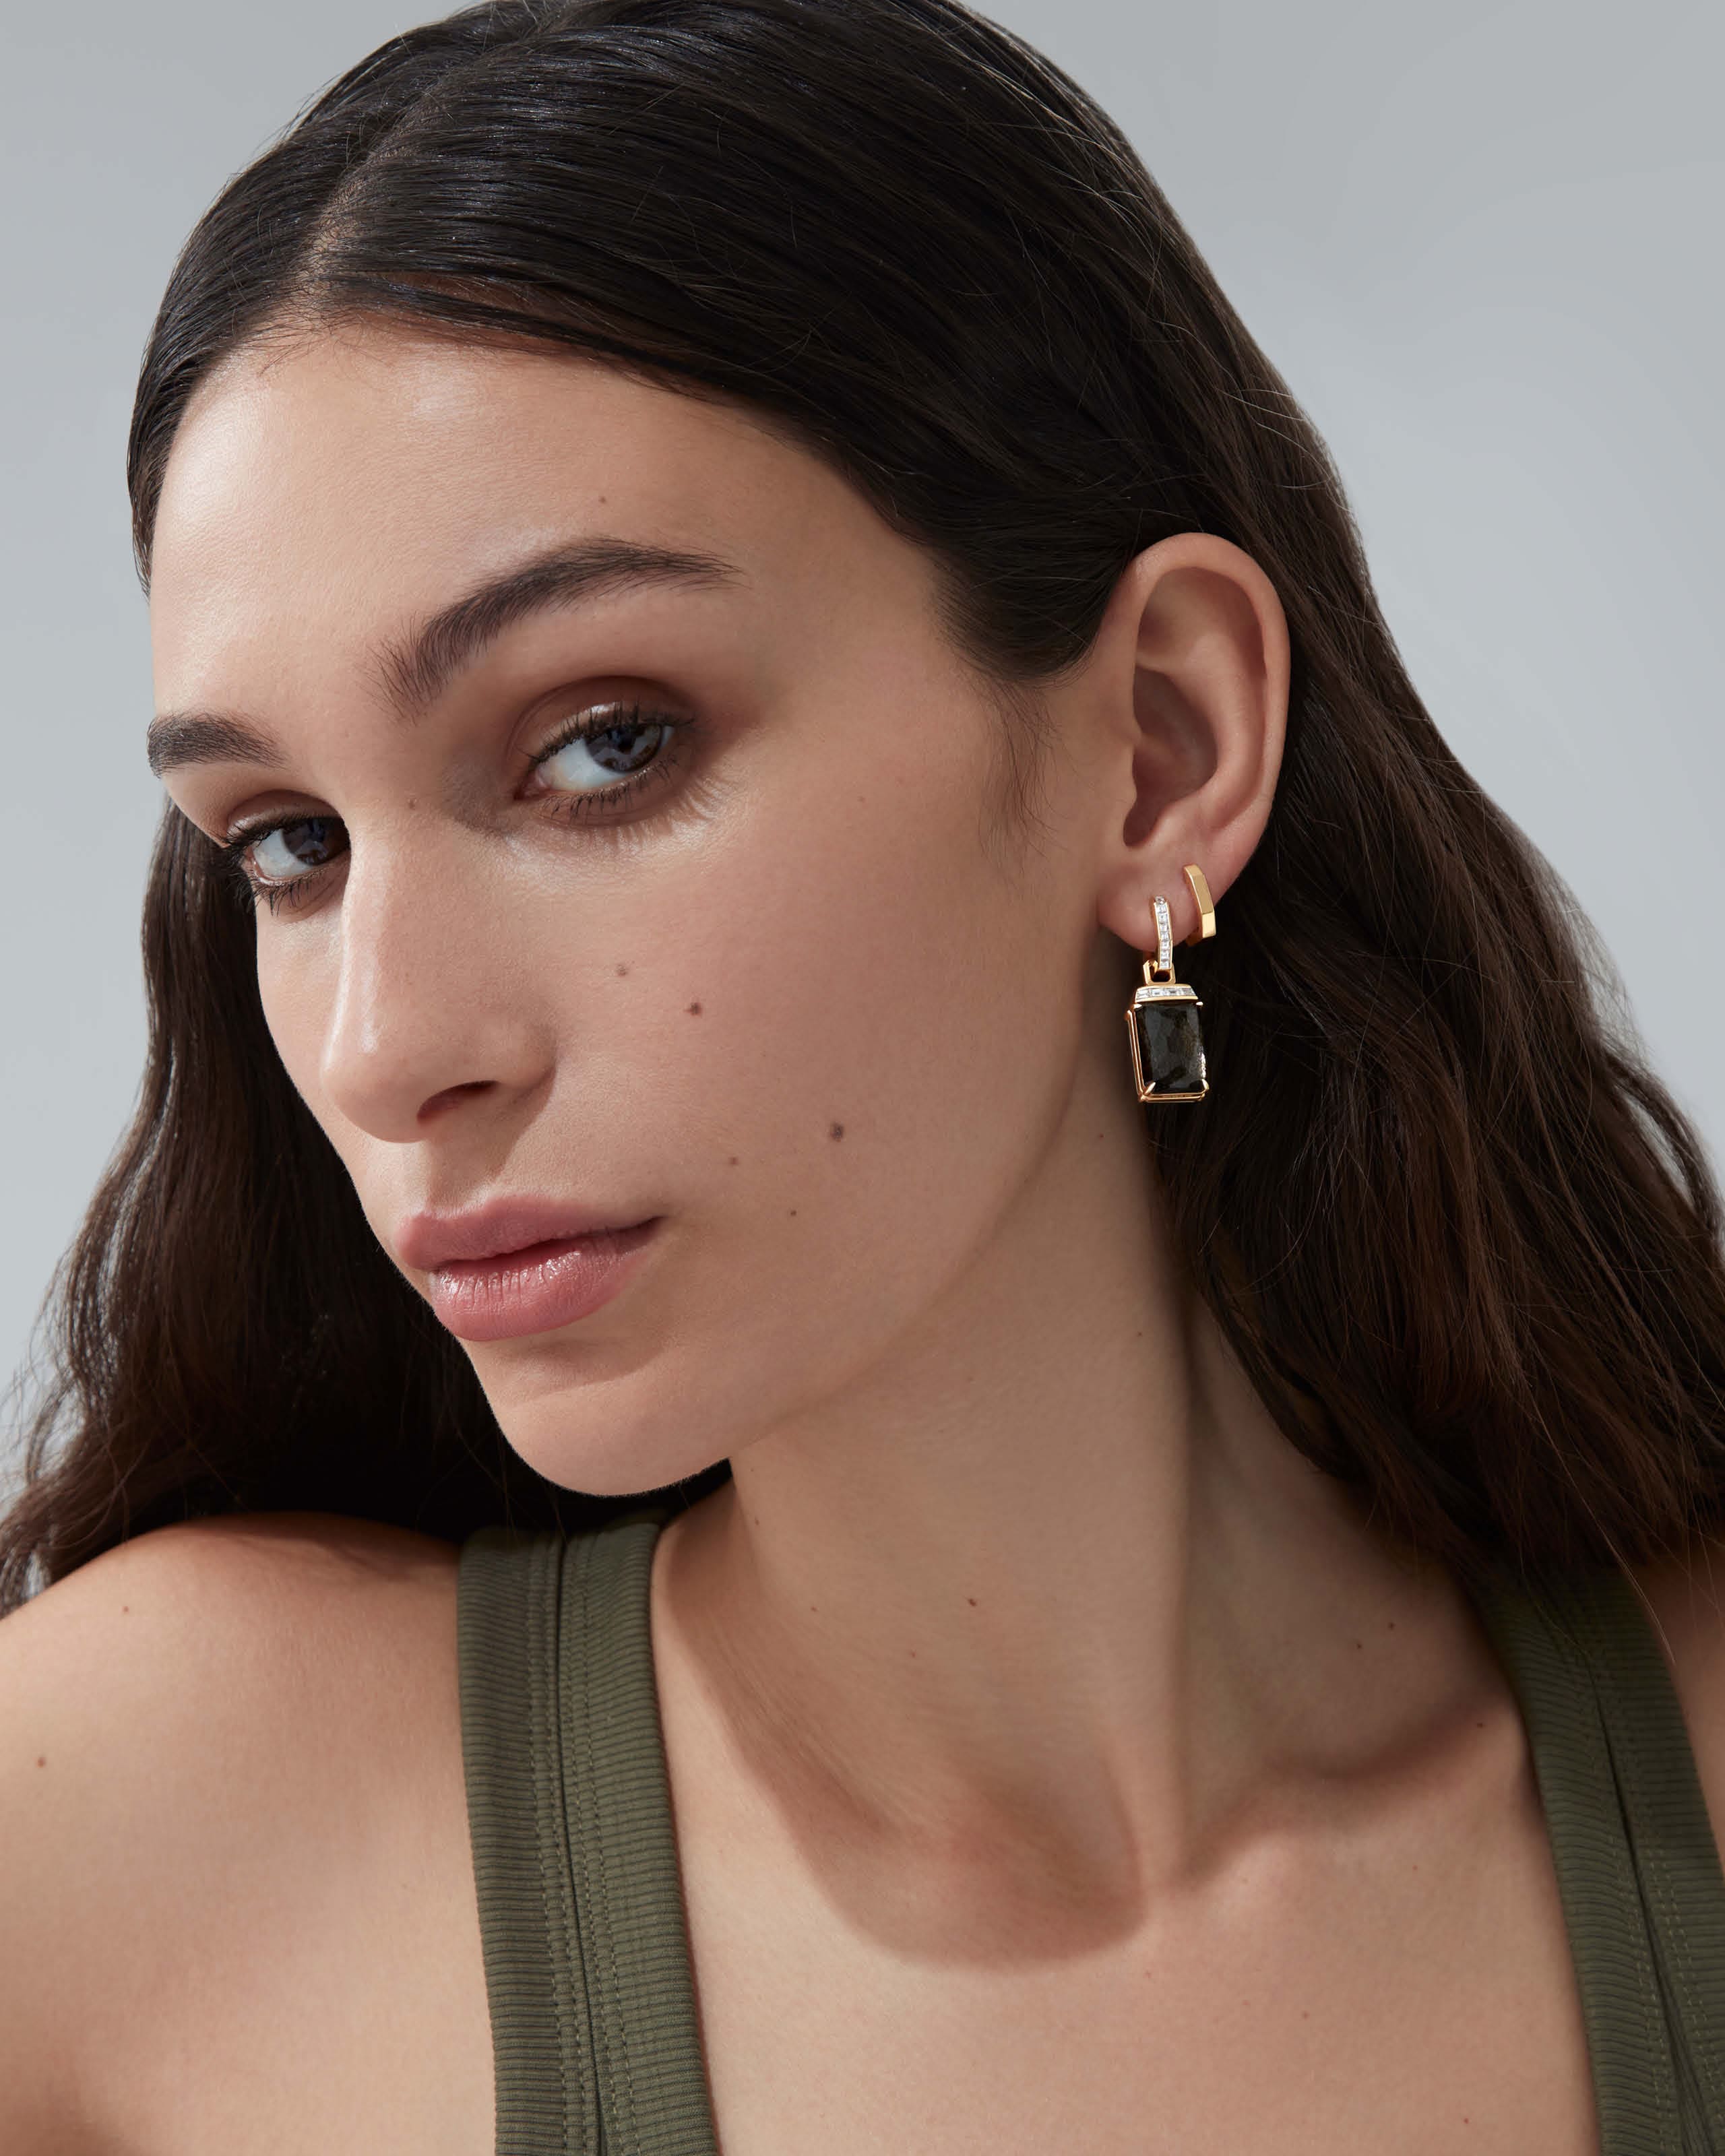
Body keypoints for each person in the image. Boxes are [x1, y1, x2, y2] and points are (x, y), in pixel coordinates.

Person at [3, 0, 1722, 2147]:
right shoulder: (132, 1837)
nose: (387, 1048)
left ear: (1159, 749)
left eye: (604, 744)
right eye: (289, 843)